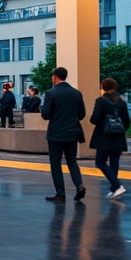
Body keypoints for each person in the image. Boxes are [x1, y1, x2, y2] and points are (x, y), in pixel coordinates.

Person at [41, 66, 86, 202]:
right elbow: (82, 114)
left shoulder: (51, 93)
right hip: (72, 133)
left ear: (55, 77)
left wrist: (44, 108)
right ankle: (79, 185)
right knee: (71, 160)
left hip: (56, 134)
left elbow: (46, 114)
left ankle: (60, 193)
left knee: (56, 163)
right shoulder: (76, 93)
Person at [90, 77, 130, 199]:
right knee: (114, 162)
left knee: (100, 162)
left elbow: (94, 119)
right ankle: (114, 189)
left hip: (104, 136)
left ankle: (117, 186)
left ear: (102, 87)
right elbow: (126, 121)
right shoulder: (122, 101)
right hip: (118, 137)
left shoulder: (100, 101)